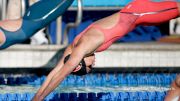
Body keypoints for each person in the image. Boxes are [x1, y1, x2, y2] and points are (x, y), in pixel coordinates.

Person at [0, 0, 179, 100]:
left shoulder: (83, 46)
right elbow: (53, 73)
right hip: (136, 17)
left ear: (79, 62)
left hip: (138, 12)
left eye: (89, 66)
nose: (94, 62)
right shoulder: (74, 46)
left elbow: (61, 75)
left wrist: (38, 100)